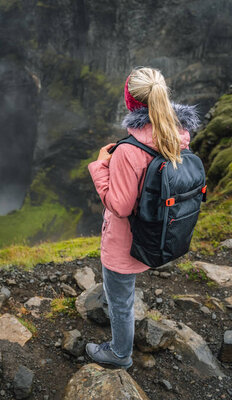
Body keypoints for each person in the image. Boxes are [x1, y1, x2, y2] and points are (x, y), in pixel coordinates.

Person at [85, 67, 199, 368]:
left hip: (126, 244)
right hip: (160, 233)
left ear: (131, 102)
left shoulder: (128, 151)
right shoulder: (179, 134)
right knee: (124, 291)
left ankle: (120, 354)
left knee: (121, 301)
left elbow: (120, 206)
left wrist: (100, 167)